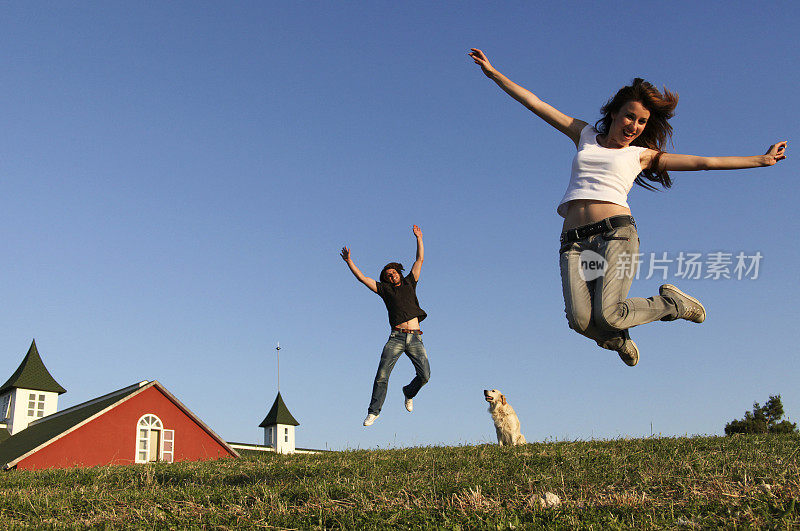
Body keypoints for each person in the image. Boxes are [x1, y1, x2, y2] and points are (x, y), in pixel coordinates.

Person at [468, 48, 787, 367]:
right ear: (614, 114)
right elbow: (536, 103)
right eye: (629, 116)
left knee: (607, 313)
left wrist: (762, 159)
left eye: (642, 122)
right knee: (581, 321)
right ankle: (617, 338)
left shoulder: (641, 155)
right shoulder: (585, 135)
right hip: (576, 245)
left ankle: (671, 304)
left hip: (614, 237)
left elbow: (704, 162)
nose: (634, 125)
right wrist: (495, 74)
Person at [341, 225, 431, 426]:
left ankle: (409, 392)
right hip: (397, 337)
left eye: (394, 273)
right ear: (386, 279)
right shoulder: (385, 290)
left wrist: (419, 238)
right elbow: (362, 278)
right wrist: (349, 261)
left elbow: (419, 260)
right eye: (388, 275)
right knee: (382, 374)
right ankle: (374, 411)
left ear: (399, 272)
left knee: (425, 375)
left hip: (415, 336)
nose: (392, 276)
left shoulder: (410, 282)